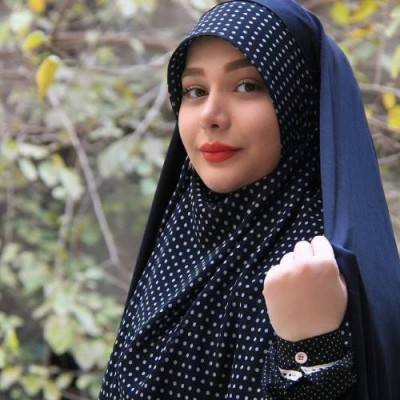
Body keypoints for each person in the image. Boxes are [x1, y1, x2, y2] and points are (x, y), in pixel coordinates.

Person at [99, 1, 400, 399]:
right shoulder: (180, 234)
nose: (211, 115)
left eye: (247, 86)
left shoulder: (322, 266)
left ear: (299, 100)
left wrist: (310, 348)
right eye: (195, 91)